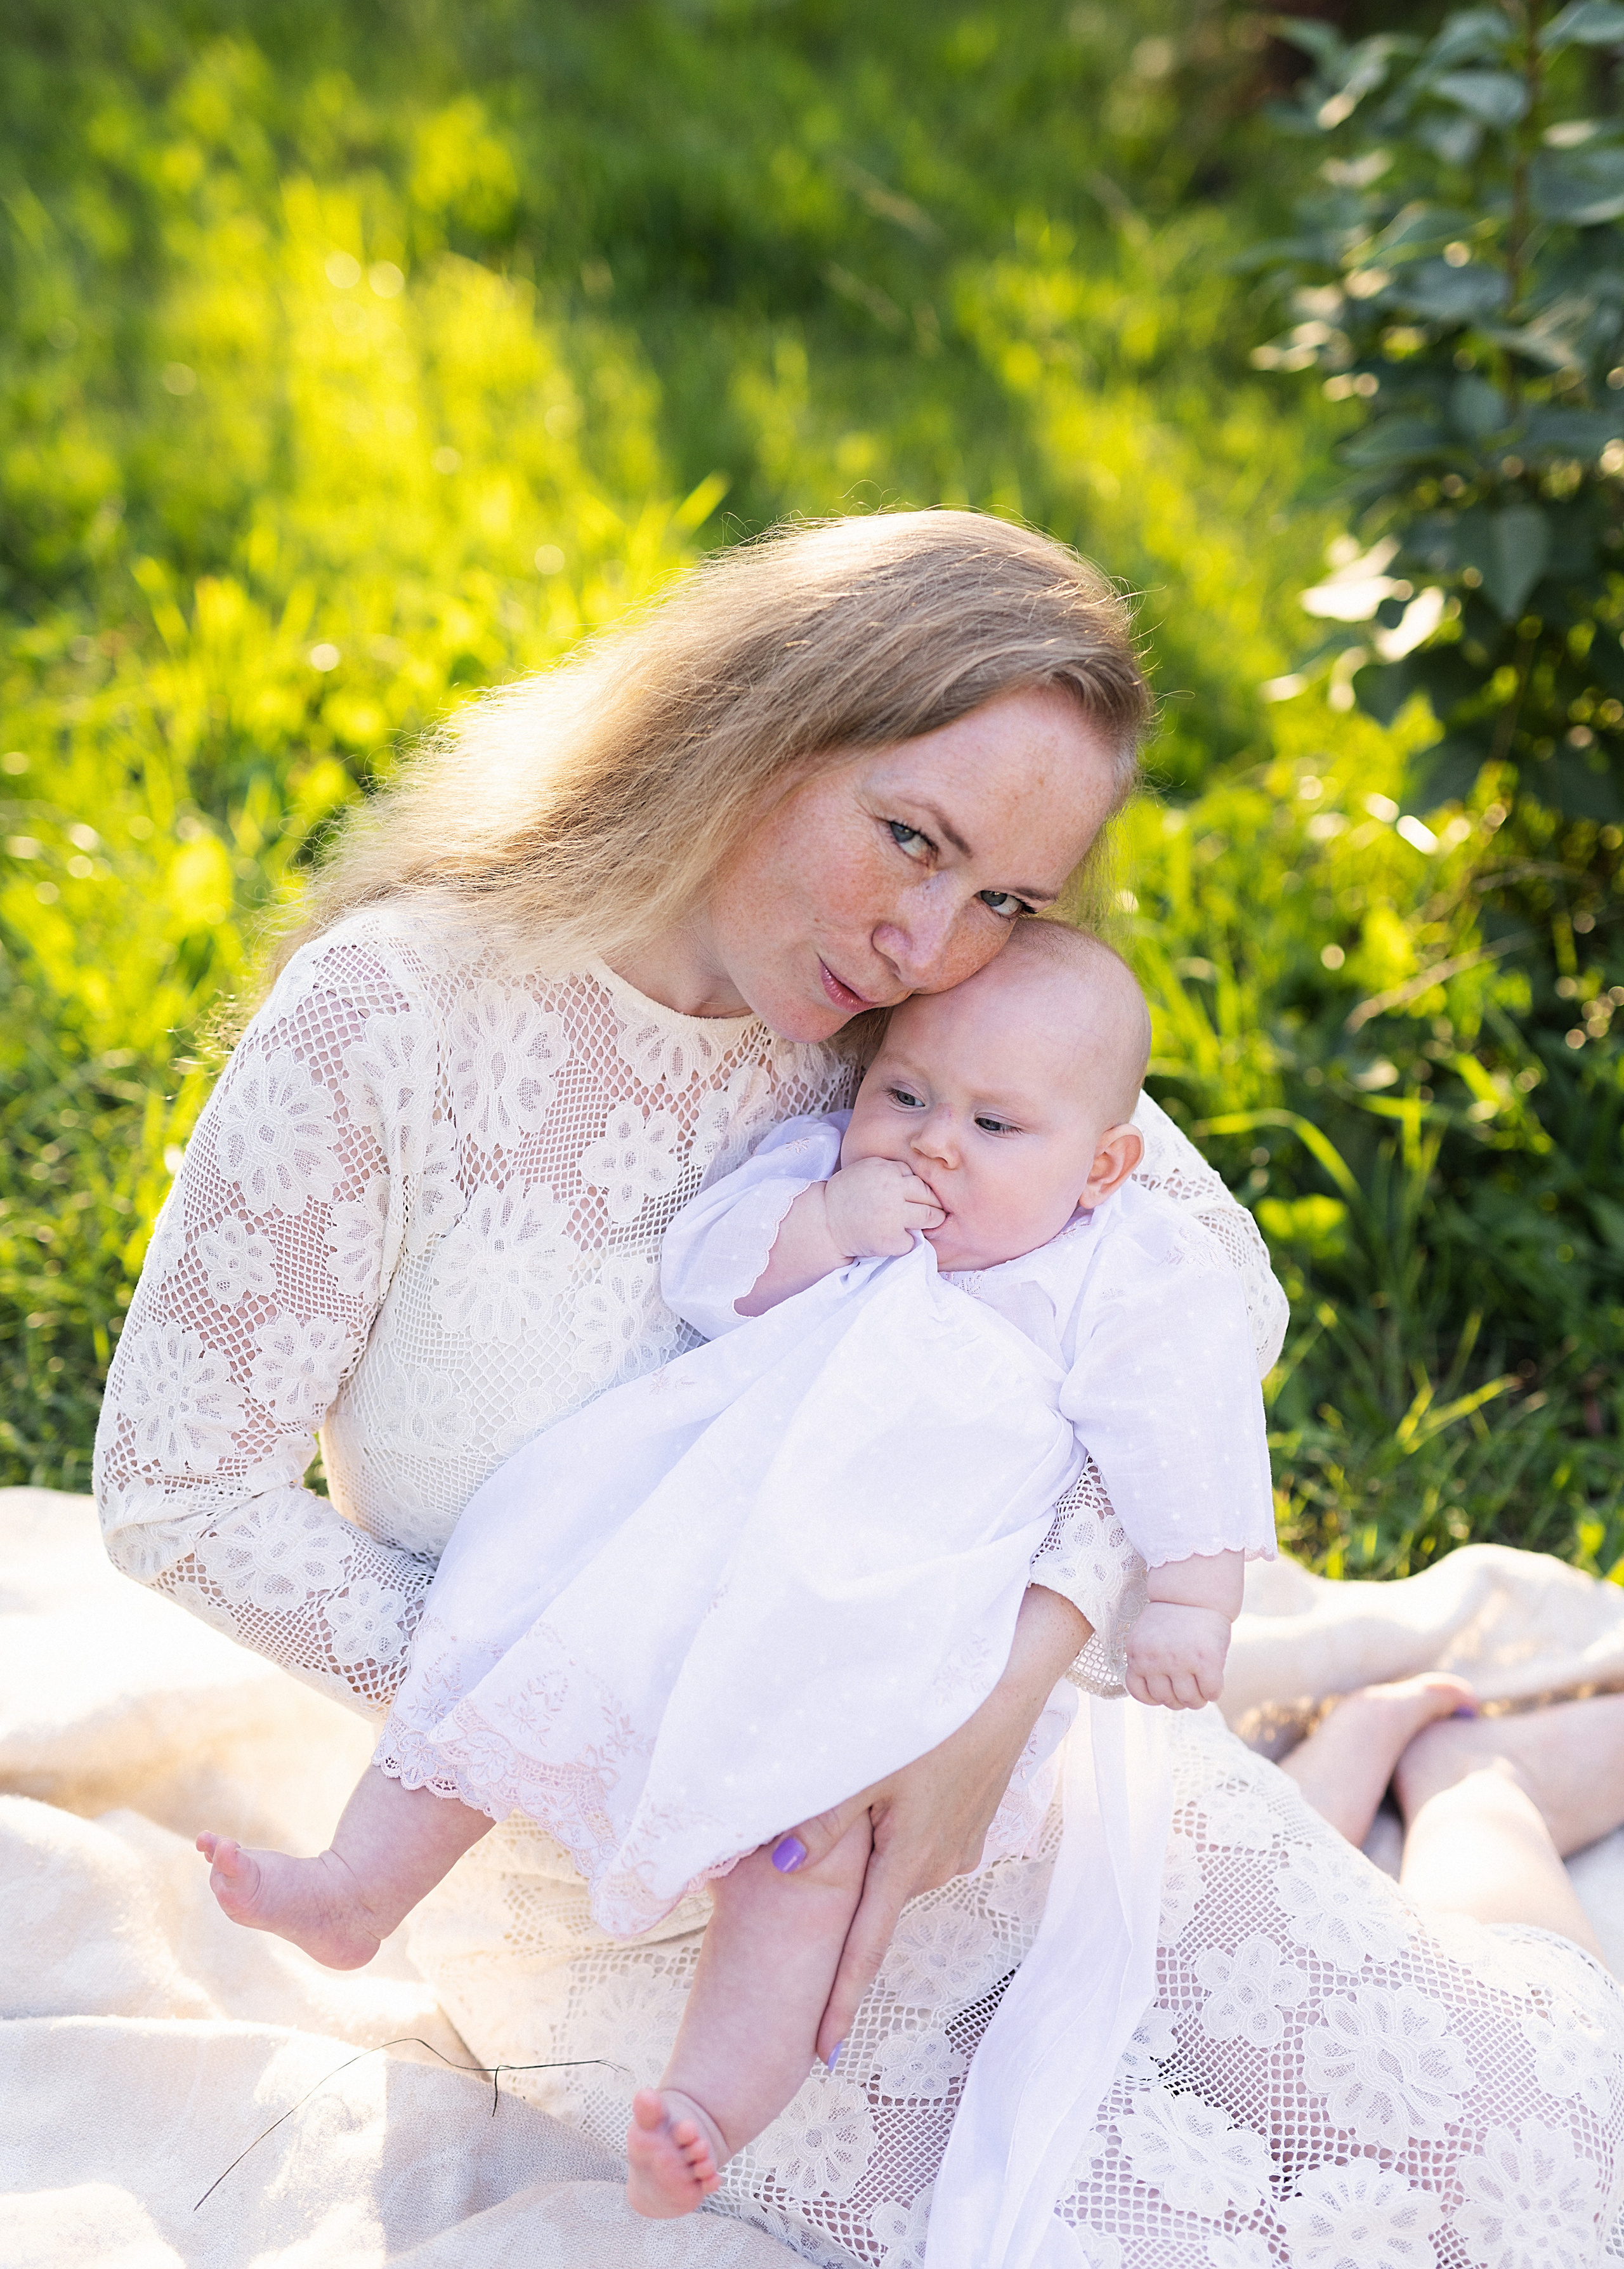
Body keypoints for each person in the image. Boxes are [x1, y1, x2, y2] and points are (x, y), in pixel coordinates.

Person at [94, 511, 1624, 2267]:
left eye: (1003, 898)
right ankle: (1373, 1767)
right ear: (750, 722)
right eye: (910, 838)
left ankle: (1446, 1781)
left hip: (993, 1772)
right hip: (621, 1892)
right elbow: (175, 1494)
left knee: (1549, 2168)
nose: (924, 941)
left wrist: (1003, 1690)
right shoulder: (393, 1022)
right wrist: (613, 1690)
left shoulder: (917, 1040)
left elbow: (1189, 1287)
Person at [190, 923, 1276, 2222]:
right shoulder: (823, 1175)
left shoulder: (1111, 1268)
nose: (930, 1142)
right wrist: (826, 1220)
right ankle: (355, 1888)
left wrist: (1198, 1592)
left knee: (804, 1854)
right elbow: (712, 1275)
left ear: (1100, 1166)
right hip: (691, 1559)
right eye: (907, 1095)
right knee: (509, 1663)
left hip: (889, 1624)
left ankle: (703, 2106)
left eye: (994, 1127)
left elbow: (1185, 1419)